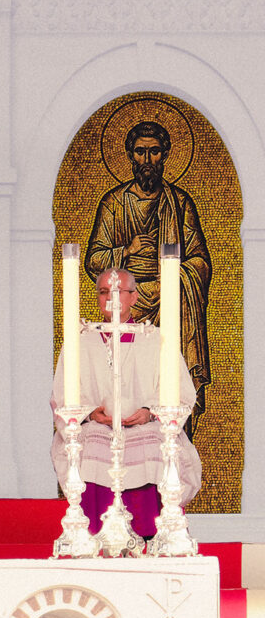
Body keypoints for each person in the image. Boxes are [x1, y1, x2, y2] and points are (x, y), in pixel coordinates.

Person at [51, 268, 202, 538]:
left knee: (156, 442)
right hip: (98, 426)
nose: (112, 297)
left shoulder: (155, 339)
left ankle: (151, 533)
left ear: (134, 297)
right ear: (97, 298)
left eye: (120, 291)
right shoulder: (80, 341)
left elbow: (180, 392)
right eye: (104, 291)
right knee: (91, 441)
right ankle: (94, 534)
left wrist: (149, 413)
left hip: (144, 425)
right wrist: (89, 414)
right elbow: (62, 395)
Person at [85, 120, 211, 438]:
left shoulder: (180, 205)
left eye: (154, 151)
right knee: (124, 390)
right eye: (140, 151)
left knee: (171, 388)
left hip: (171, 311)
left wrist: (169, 276)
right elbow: (93, 260)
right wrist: (126, 251)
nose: (147, 159)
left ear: (165, 154)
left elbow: (200, 262)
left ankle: (174, 450)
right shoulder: (114, 204)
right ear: (130, 155)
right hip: (126, 314)